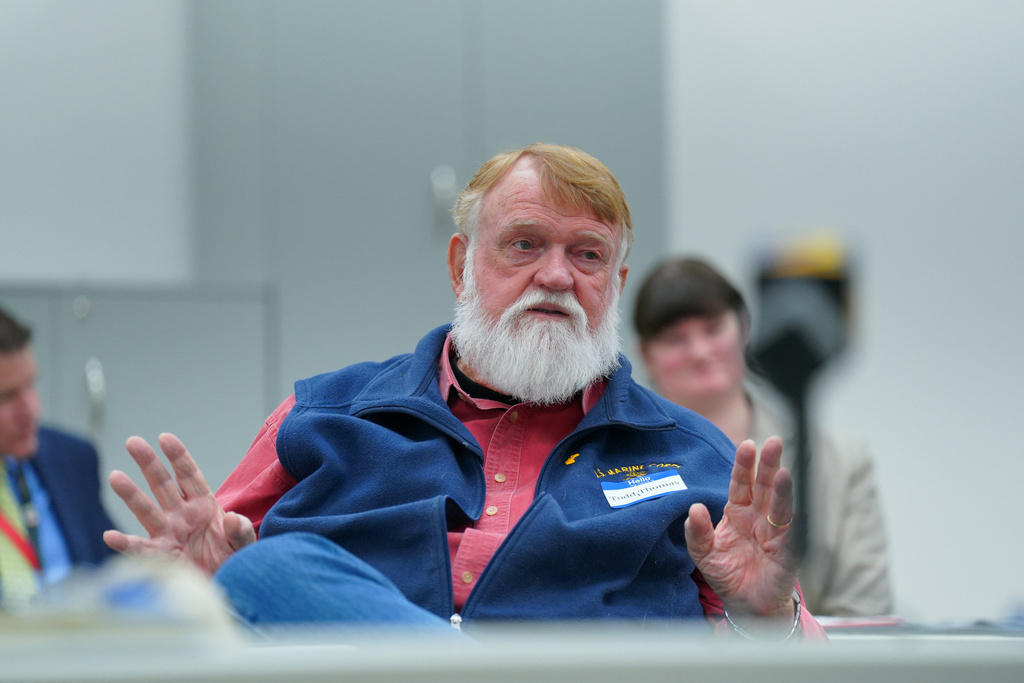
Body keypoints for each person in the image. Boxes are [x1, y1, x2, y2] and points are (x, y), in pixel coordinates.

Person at [104, 143, 825, 640]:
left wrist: (761, 614)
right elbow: (189, 607)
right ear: (461, 266)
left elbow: (801, 661)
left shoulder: (693, 456)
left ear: (616, 284)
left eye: (587, 255)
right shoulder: (325, 414)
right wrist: (192, 593)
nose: (555, 276)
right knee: (271, 570)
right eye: (523, 244)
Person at [633, 256, 893, 617]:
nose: (700, 352)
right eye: (676, 339)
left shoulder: (839, 459)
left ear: (744, 329)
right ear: (646, 355)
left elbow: (865, 614)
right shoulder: (616, 459)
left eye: (712, 329)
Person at [0, 305, 116, 608]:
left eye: (31, 385)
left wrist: (165, 560)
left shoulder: (71, 458)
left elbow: (114, 569)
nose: (31, 408)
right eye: (8, 396)